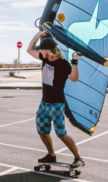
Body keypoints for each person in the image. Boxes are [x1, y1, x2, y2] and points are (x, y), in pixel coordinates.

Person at [26, 30, 85, 168]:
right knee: (42, 131)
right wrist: (39, 35)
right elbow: (29, 49)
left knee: (61, 134)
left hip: (57, 104)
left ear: (48, 50)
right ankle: (51, 155)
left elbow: (74, 79)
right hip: (44, 103)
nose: (41, 51)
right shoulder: (44, 58)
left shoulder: (63, 64)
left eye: (42, 49)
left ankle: (78, 158)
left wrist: (75, 63)